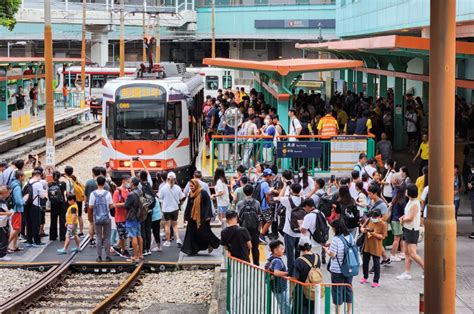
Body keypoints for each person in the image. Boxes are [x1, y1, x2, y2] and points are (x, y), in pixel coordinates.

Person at [181, 179, 220, 256]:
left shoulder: (203, 193)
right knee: (191, 233)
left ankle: (211, 243)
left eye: (192, 186)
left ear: (196, 185)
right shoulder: (191, 194)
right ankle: (191, 250)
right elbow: (189, 205)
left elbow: (208, 204)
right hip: (192, 218)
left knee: (204, 233)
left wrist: (208, 216)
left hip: (203, 218)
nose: (191, 188)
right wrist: (185, 216)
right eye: (190, 186)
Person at [323, 220, 353, 314]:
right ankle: (348, 311)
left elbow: (332, 255)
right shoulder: (350, 237)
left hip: (337, 269)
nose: (332, 229)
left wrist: (326, 250)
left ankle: (338, 312)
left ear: (336, 228)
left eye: (333, 228)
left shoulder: (336, 239)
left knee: (337, 291)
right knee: (348, 289)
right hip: (349, 267)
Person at [397, 184, 425, 280]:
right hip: (407, 228)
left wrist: (403, 219)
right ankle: (407, 272)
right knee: (407, 253)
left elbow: (411, 217)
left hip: (412, 229)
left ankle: (425, 269)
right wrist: (403, 218)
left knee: (412, 253)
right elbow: (407, 215)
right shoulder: (410, 201)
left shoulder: (415, 203)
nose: (405, 192)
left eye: (406, 190)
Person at [276, 182, 303, 275]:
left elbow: (279, 197)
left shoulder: (288, 200)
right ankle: (298, 271)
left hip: (289, 230)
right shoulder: (304, 199)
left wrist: (284, 186)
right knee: (298, 253)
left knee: (290, 254)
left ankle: (291, 272)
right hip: (300, 231)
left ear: (291, 190)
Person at [88, 175, 114, 262]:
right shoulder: (108, 194)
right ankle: (108, 256)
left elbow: (90, 206)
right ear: (104, 183)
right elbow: (111, 206)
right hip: (107, 218)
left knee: (98, 237)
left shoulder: (93, 194)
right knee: (107, 237)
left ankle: (99, 257)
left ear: (97, 183)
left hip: (97, 218)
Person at [292, 238, 321, 313]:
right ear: (310, 246)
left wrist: (291, 293)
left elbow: (294, 279)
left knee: (300, 310)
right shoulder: (317, 257)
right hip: (314, 290)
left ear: (300, 248)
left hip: (301, 291)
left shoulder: (299, 261)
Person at [360, 208, 387, 288]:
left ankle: (376, 281)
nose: (374, 219)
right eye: (373, 217)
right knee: (365, 262)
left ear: (380, 216)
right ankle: (365, 276)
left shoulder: (383, 224)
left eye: (375, 217)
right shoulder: (369, 220)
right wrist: (364, 230)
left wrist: (373, 233)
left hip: (376, 246)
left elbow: (383, 236)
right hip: (367, 245)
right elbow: (362, 227)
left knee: (376, 264)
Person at [236, 184, 260, 265]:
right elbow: (259, 214)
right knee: (255, 248)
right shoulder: (257, 203)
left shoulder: (240, 203)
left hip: (244, 229)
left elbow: (238, 216)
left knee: (245, 248)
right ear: (252, 192)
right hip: (255, 229)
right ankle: (256, 264)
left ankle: (246, 264)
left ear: (244, 192)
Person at [159, 172, 185, 247]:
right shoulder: (177, 188)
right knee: (175, 225)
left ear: (167, 179)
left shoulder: (163, 188)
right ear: (175, 179)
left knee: (167, 225)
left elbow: (160, 197)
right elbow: (181, 197)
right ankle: (178, 239)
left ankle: (168, 241)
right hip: (175, 208)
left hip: (166, 209)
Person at [265, 240, 290, 313]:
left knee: (282, 305)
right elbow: (276, 272)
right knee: (285, 305)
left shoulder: (271, 258)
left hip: (275, 287)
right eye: (281, 249)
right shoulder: (278, 261)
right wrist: (287, 273)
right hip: (280, 288)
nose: (283, 250)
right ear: (275, 250)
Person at [25, 170, 47, 247]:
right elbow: (42, 196)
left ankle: (29, 240)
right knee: (35, 223)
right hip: (35, 205)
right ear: (38, 175)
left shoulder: (27, 182)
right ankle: (37, 241)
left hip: (27, 205)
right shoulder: (38, 184)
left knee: (29, 223)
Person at [125, 177, 143, 262]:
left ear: (132, 184)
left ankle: (135, 256)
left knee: (133, 236)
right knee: (139, 234)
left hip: (131, 216)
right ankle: (140, 254)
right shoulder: (140, 191)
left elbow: (126, 205)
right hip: (139, 215)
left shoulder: (131, 194)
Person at [112, 175, 130, 258]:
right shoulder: (117, 191)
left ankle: (118, 247)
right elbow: (115, 204)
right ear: (123, 181)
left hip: (127, 216)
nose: (129, 183)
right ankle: (124, 250)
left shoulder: (128, 190)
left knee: (124, 234)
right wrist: (125, 204)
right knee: (122, 235)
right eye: (128, 181)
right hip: (119, 217)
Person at [8, 171, 25, 253]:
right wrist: (23, 201)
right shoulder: (17, 187)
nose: (24, 178)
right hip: (17, 210)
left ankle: (13, 246)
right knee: (16, 228)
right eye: (23, 176)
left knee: (17, 229)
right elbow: (18, 201)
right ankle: (6, 246)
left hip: (15, 209)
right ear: (20, 177)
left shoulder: (14, 184)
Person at [390, 184, 407, 262]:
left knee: (399, 238)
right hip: (398, 220)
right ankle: (393, 255)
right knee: (397, 239)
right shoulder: (402, 201)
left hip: (394, 219)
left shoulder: (395, 199)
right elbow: (405, 212)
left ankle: (402, 253)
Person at [48, 171, 66, 242]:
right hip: (61, 204)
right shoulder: (63, 184)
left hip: (53, 204)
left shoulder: (50, 184)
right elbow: (65, 193)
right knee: (62, 220)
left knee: (53, 220)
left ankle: (53, 236)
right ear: (59, 176)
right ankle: (62, 236)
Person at [85, 167, 100, 247]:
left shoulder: (89, 182)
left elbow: (85, 195)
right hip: (99, 205)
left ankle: (91, 239)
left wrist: (85, 204)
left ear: (93, 173)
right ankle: (100, 239)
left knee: (91, 223)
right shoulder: (101, 182)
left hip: (90, 205)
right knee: (100, 223)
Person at [0, 185, 13, 261]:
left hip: (4, 222)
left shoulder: (3, 200)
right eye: (8, 192)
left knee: (4, 237)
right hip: (2, 223)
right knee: (4, 238)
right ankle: (2, 255)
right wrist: (7, 213)